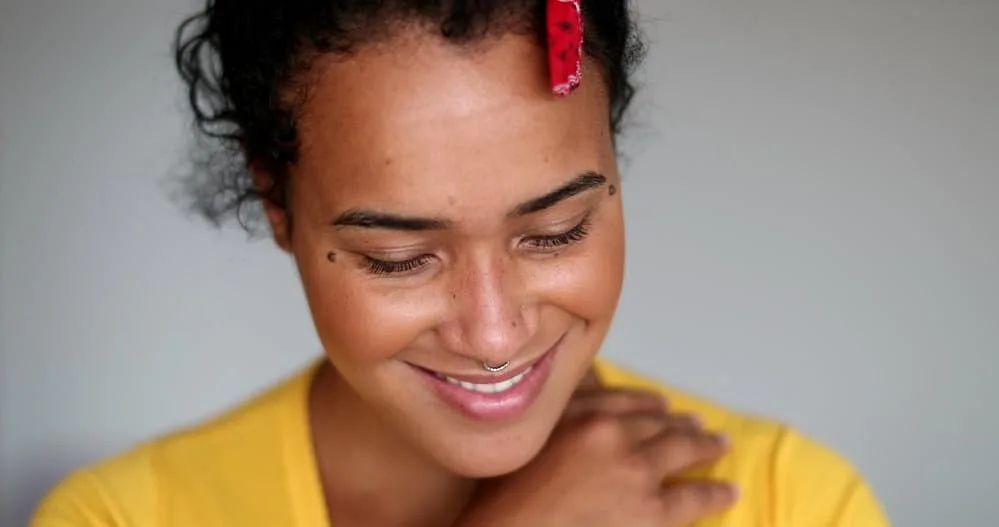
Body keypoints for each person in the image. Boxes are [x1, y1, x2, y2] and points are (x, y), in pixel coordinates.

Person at [31, 0, 890, 525]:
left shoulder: (790, 500)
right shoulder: (117, 517)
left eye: (554, 230)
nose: (493, 331)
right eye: (398, 257)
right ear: (277, 201)